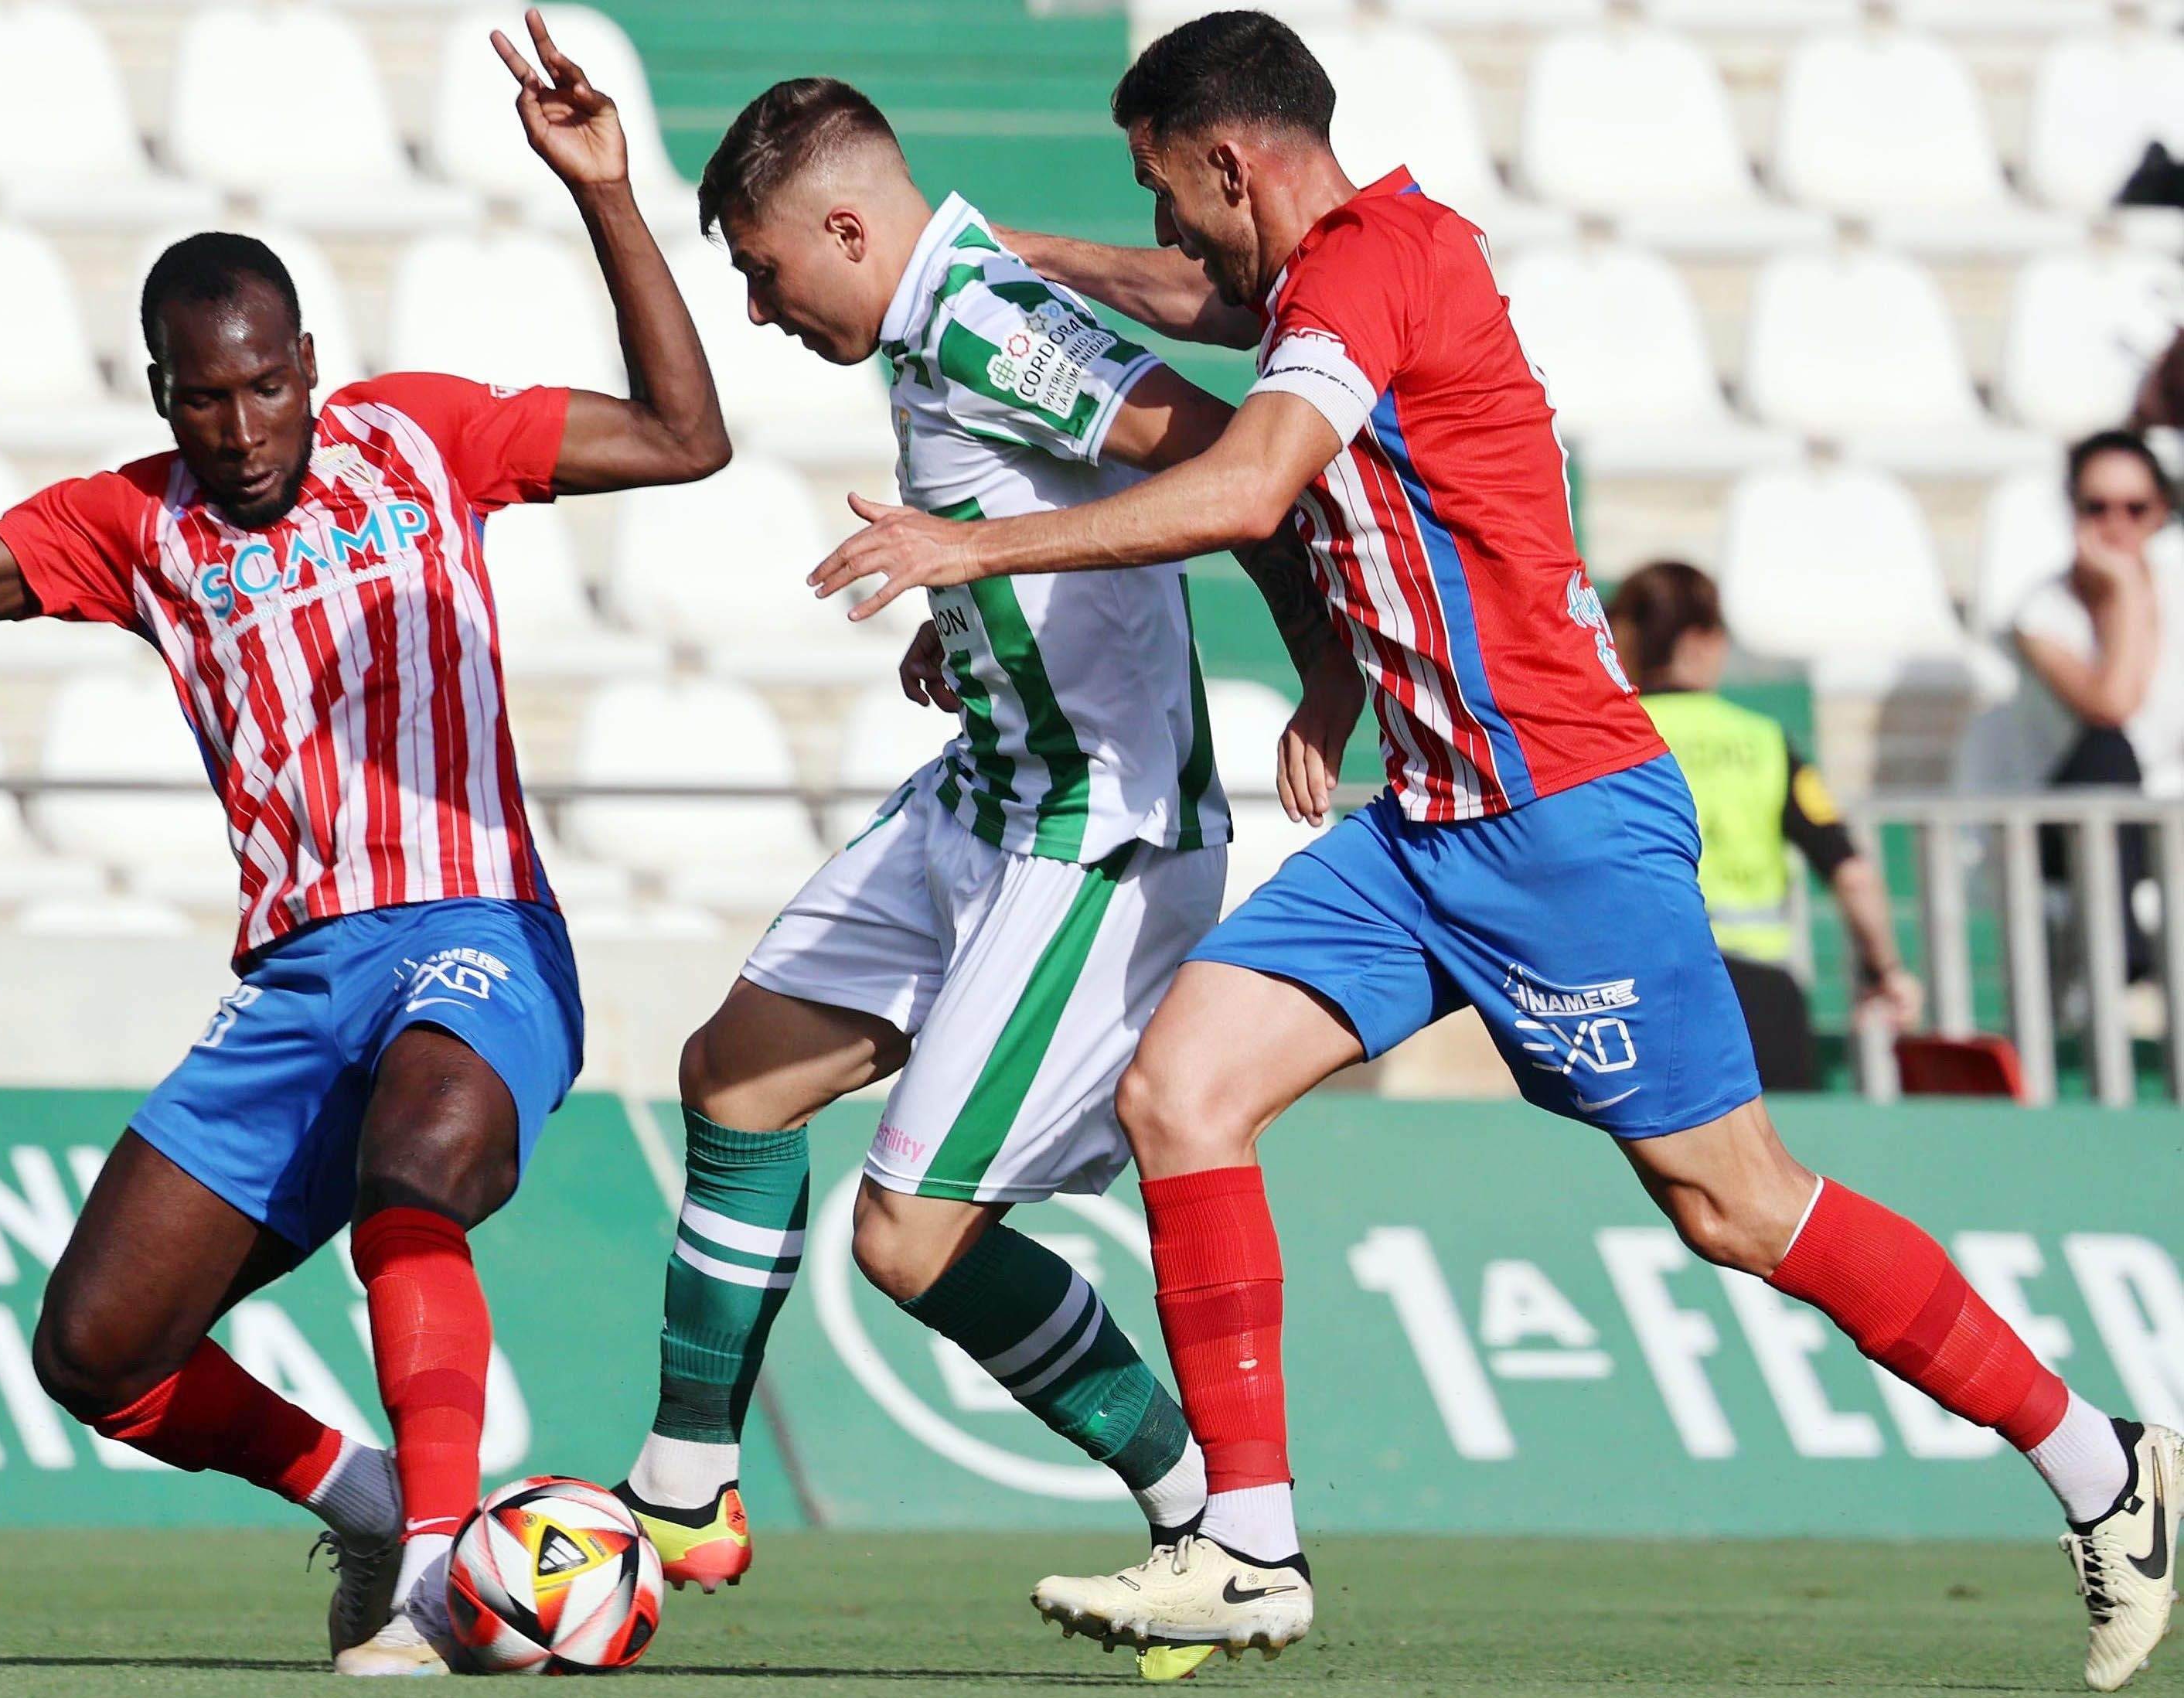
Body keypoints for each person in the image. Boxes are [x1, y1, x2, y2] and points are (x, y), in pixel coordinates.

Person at [806, 12, 2179, 1687]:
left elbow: (1251, 485)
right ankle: (1246, 1546)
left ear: (1235, 164)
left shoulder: (1383, 265)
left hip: (1564, 828)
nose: (1162, 231)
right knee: (1186, 1091)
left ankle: (2107, 1471)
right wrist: (1003, 253)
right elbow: (1207, 305)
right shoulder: (1326, 273)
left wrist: (981, 544)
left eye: (1165, 193)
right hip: (1425, 832)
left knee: (1737, 1208)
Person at [0, 12, 730, 1678]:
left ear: (313, 363)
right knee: (99, 1351)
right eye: (206, 400)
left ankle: (438, 1580)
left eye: (268, 387)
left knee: (421, 1168)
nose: (245, 429)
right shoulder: (134, 524)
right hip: (298, 981)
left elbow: (691, 441)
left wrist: (609, 193)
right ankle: (375, 1494)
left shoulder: (427, 440)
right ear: (160, 392)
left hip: (475, 935)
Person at [611, 77, 1324, 1683]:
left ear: (847, 230)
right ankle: (688, 1485)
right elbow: (1050, 513)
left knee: (910, 1243)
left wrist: (1326, 681)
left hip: (1090, 839)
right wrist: (980, 622)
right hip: (983, 800)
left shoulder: (994, 320)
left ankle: (1200, 1502)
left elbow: (1239, 472)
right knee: (733, 1078)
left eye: (765, 270)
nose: (758, 306)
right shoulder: (941, 327)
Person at [1606, 561, 1924, 1089]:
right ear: (1704, 640)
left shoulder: (1613, 741)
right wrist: (1886, 972)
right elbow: (1853, 875)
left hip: (1643, 996)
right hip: (1758, 1002)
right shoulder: (1764, 742)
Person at [2010, 431, 2184, 987]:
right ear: (2073, 511)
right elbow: (2113, 707)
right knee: (2109, 755)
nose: (2117, 524)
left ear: (2161, 511)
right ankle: (2127, 970)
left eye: (2136, 508)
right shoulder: (2040, 613)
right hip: (2068, 822)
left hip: (2166, 812)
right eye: (2097, 507)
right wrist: (2129, 592)